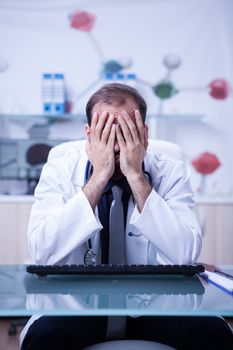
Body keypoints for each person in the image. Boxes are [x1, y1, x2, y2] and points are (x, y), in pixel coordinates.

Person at [21, 83, 233, 349]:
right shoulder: (59, 169)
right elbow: (42, 252)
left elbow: (185, 254)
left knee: (214, 333)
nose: (116, 145)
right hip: (78, 303)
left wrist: (136, 176)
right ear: (89, 135)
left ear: (144, 134)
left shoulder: (171, 170)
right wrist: (99, 178)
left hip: (154, 304)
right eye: (105, 133)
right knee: (44, 336)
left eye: (125, 133)